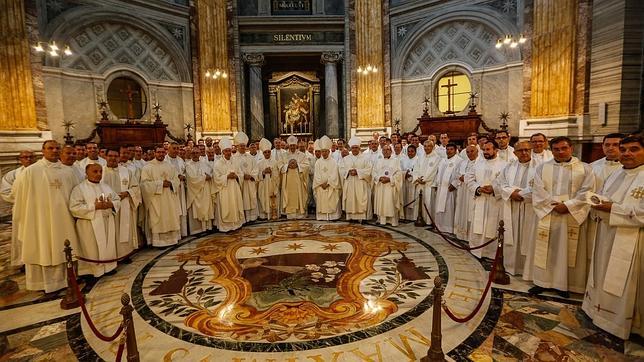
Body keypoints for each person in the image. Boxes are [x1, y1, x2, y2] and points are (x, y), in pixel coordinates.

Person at [582, 135, 643, 339]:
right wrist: (597, 201)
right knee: (601, 271)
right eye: (624, 149)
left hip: (633, 240)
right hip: (606, 233)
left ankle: (623, 323)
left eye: (633, 149)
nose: (626, 153)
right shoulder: (616, 174)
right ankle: (598, 312)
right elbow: (602, 196)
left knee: (626, 280)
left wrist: (611, 208)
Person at [529, 136, 594, 298]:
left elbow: (587, 191)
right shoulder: (542, 168)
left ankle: (564, 284)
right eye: (556, 149)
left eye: (564, 148)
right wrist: (554, 205)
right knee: (545, 250)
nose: (560, 152)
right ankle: (541, 281)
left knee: (567, 251)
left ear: (571, 148)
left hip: (571, 215)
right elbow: (538, 190)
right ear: (551, 150)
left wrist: (569, 205)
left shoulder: (585, 168)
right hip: (548, 213)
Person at [12, 140, 80, 292]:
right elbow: (21, 197)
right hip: (40, 219)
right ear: (43, 151)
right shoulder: (31, 171)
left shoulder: (68, 171)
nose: (54, 151)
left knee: (65, 248)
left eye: (57, 148)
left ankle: (68, 278)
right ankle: (45, 283)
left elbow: (77, 194)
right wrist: (25, 217)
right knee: (43, 248)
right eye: (50, 148)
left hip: (65, 219)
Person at [493, 141, 537, 276]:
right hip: (511, 206)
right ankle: (511, 266)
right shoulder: (509, 166)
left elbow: (542, 187)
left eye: (527, 150)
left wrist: (521, 194)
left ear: (531, 150)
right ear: (515, 153)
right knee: (510, 237)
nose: (524, 153)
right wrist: (511, 193)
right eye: (520, 151)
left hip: (529, 208)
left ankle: (527, 270)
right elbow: (499, 183)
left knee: (528, 238)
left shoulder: (540, 167)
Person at [70, 163, 120, 277]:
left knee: (108, 245)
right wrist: (94, 207)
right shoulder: (80, 188)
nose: (99, 174)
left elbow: (117, 199)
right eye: (95, 171)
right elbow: (74, 208)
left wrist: (111, 204)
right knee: (92, 249)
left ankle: (109, 267)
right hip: (90, 225)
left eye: (100, 171)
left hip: (107, 221)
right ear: (86, 173)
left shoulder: (106, 186)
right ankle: (92, 272)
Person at [466, 140, 507, 259]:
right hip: (480, 199)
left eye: (488, 149)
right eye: (484, 149)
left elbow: (506, 183)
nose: (485, 152)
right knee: (478, 225)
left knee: (492, 226)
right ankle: (476, 249)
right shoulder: (478, 164)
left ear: (496, 150)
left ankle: (490, 253)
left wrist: (494, 189)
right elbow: (469, 179)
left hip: (494, 201)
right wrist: (478, 189)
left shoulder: (504, 165)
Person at [140, 147, 181, 247]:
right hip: (156, 199)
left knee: (171, 216)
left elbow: (177, 180)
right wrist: (160, 184)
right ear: (155, 153)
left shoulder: (170, 166)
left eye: (163, 152)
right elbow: (144, 184)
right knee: (158, 219)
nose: (161, 154)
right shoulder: (148, 167)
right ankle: (159, 242)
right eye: (159, 152)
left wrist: (171, 183)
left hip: (169, 198)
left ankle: (172, 239)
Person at [102, 149, 141, 257]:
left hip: (124, 205)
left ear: (119, 157)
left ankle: (124, 254)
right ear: (105, 157)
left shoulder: (126, 172)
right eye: (110, 156)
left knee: (123, 231)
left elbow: (136, 187)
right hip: (107, 207)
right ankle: (110, 256)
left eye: (115, 156)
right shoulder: (100, 171)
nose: (113, 158)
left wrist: (127, 193)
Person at [212, 138, 245, 232]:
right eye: (226, 151)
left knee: (235, 204)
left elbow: (241, 173)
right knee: (226, 206)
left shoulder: (235, 161)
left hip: (234, 187)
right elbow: (216, 178)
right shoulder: (218, 163)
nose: (228, 152)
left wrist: (237, 176)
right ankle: (226, 226)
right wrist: (227, 176)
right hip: (224, 189)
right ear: (223, 152)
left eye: (229, 150)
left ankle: (236, 224)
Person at [340, 136, 372, 222]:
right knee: (351, 199)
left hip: (361, 183)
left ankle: (362, 217)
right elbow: (341, 169)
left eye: (356, 148)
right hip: (350, 183)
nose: (354, 149)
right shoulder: (346, 159)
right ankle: (351, 217)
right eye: (353, 148)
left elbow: (369, 170)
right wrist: (348, 172)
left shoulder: (365, 158)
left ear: (359, 148)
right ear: (350, 148)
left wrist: (358, 172)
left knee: (361, 199)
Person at [434, 143, 463, 234]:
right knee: (440, 207)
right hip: (441, 187)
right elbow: (438, 173)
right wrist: (436, 184)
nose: (449, 151)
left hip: (451, 189)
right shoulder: (443, 160)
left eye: (451, 149)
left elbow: (460, 174)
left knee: (449, 208)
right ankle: (440, 226)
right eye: (447, 149)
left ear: (455, 150)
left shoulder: (459, 161)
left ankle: (449, 228)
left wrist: (454, 184)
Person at [185, 148, 214, 234]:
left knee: (206, 207)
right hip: (195, 192)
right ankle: (197, 230)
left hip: (205, 190)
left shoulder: (204, 164)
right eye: (193, 153)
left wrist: (209, 177)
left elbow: (211, 174)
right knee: (197, 209)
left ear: (200, 154)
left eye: (197, 153)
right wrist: (205, 177)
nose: (195, 154)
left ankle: (208, 227)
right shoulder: (188, 165)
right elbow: (191, 179)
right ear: (191, 154)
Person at [280, 135, 310, 219]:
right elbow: (279, 166)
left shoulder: (302, 155)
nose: (292, 147)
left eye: (293, 145)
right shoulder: (284, 155)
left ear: (296, 145)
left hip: (298, 181)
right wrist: (287, 165)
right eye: (291, 145)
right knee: (289, 196)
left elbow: (307, 166)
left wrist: (298, 165)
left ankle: (300, 213)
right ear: (288, 146)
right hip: (288, 181)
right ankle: (290, 214)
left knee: (299, 195)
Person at [372, 145, 402, 226]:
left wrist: (390, 179)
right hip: (381, 186)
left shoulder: (396, 161)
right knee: (382, 203)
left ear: (391, 151)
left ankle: (392, 221)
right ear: (381, 151)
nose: (386, 151)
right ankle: (382, 220)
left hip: (390, 186)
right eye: (384, 150)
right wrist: (379, 178)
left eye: (388, 150)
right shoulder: (378, 161)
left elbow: (399, 174)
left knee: (390, 203)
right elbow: (373, 173)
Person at [313, 136, 342, 221]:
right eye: (322, 151)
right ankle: (322, 216)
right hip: (320, 186)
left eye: (325, 151)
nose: (324, 153)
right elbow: (316, 174)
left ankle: (333, 216)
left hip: (330, 186)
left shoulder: (333, 162)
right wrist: (321, 183)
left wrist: (328, 182)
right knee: (322, 201)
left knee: (332, 200)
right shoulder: (318, 162)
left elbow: (335, 174)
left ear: (329, 151)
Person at [233, 132, 259, 222]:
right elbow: (233, 170)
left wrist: (251, 176)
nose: (242, 147)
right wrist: (242, 176)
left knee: (251, 198)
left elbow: (256, 168)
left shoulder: (250, 157)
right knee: (242, 200)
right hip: (241, 183)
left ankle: (252, 217)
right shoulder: (233, 158)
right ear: (237, 146)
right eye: (241, 146)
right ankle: (244, 218)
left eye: (244, 146)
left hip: (250, 182)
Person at [454, 145, 478, 240]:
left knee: (470, 211)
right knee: (461, 209)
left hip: (471, 191)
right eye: (467, 152)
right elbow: (457, 173)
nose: (470, 153)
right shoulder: (463, 162)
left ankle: (469, 235)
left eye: (472, 151)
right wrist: (460, 177)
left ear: (477, 152)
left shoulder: (479, 163)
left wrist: (466, 178)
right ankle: (461, 233)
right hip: (462, 189)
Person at [413, 140, 441, 223]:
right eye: (425, 146)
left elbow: (433, 171)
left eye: (429, 146)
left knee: (428, 203)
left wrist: (424, 179)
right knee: (419, 202)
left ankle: (428, 220)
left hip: (428, 184)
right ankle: (418, 218)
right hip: (419, 183)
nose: (426, 148)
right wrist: (417, 178)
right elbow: (416, 169)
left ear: (432, 147)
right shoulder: (420, 157)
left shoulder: (437, 158)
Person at [165, 143, 188, 236]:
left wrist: (183, 176)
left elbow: (185, 172)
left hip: (181, 188)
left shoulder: (180, 160)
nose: (176, 150)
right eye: (174, 148)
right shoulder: (165, 161)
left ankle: (182, 232)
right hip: (170, 190)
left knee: (181, 209)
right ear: (168, 149)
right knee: (172, 210)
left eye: (177, 148)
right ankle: (174, 234)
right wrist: (176, 177)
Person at [257, 138, 281, 220]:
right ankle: (264, 215)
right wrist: (263, 173)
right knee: (264, 199)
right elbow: (257, 176)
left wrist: (271, 173)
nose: (267, 153)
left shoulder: (275, 162)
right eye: (265, 152)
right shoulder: (259, 163)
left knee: (274, 198)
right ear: (263, 153)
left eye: (268, 152)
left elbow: (278, 175)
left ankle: (274, 213)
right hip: (264, 185)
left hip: (272, 184)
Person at [400, 145, 419, 220]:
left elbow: (418, 170)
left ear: (415, 151)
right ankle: (405, 215)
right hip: (404, 181)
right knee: (405, 197)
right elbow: (400, 170)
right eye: (408, 151)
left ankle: (412, 217)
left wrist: (410, 174)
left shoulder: (418, 159)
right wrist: (405, 174)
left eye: (412, 151)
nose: (410, 153)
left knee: (412, 198)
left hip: (413, 182)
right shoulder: (403, 159)